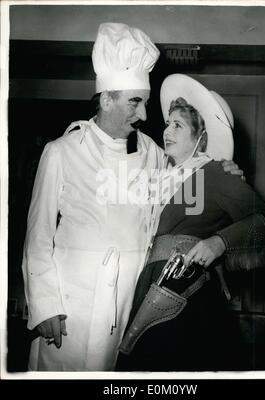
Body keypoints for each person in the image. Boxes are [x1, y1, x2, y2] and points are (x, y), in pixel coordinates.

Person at [22, 24, 243, 371]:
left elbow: (188, 172)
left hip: (127, 307)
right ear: (107, 97)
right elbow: (37, 237)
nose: (143, 115)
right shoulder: (62, 151)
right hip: (68, 311)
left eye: (145, 103)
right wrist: (45, 306)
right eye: (134, 102)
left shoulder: (152, 153)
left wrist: (224, 169)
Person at [117, 74, 265, 372]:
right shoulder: (159, 175)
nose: (167, 130)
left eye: (178, 125)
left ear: (200, 138)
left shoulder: (214, 173)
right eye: (167, 123)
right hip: (148, 287)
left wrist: (220, 242)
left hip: (186, 293)